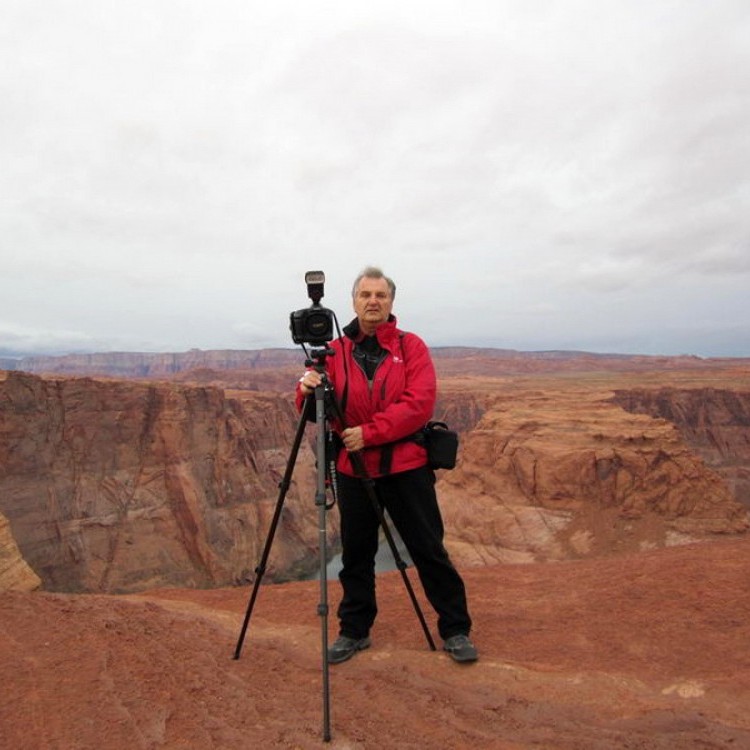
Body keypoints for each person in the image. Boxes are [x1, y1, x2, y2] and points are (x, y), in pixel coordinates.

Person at [296, 266, 477, 664]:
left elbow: (418, 405)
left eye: (380, 295)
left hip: (406, 468)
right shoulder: (335, 351)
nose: (373, 301)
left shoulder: (411, 347)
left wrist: (370, 433)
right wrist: (305, 389)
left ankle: (456, 629)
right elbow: (313, 413)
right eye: (366, 295)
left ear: (391, 302)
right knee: (355, 556)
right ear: (354, 301)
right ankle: (354, 631)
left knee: (428, 549)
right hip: (352, 470)